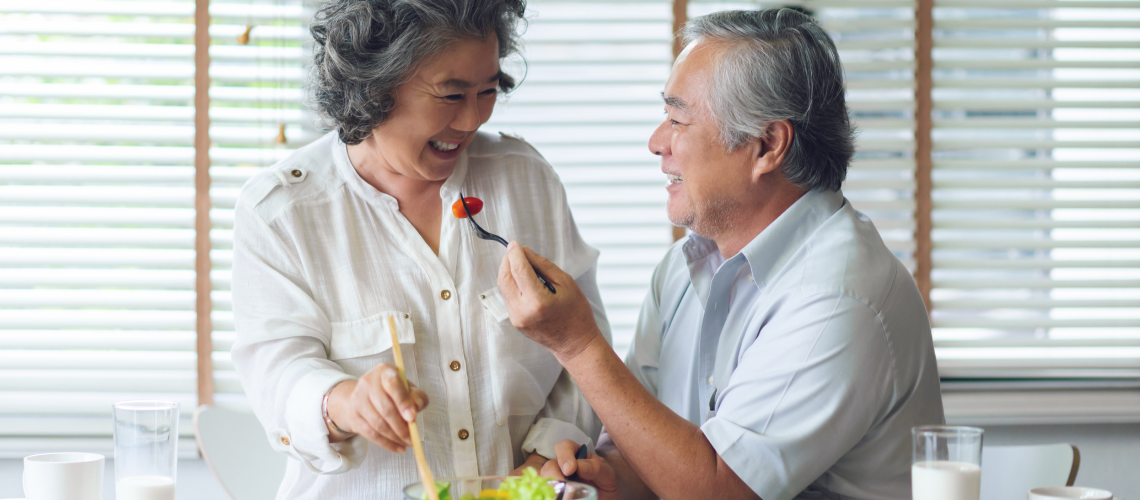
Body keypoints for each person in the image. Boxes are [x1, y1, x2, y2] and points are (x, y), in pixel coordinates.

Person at [494, 8, 944, 500]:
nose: (655, 142)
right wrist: (609, 478)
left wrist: (577, 345)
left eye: (677, 119)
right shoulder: (682, 271)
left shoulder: (841, 297)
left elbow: (720, 489)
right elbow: (647, 456)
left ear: (767, 144)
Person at [229, 0, 610, 497]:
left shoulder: (526, 181)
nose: (472, 119)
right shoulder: (282, 213)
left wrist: (537, 467)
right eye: (451, 95)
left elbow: (584, 350)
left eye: (488, 90)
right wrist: (345, 402)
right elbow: (277, 374)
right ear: (375, 85)